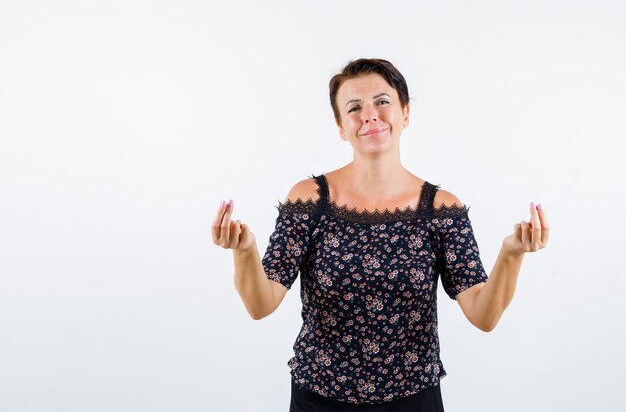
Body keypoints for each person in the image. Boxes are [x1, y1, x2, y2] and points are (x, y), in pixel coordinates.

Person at [212, 58, 550, 411]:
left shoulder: (440, 209)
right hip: (319, 399)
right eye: (354, 108)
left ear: (405, 114)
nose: (370, 115)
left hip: (413, 399)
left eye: (382, 102)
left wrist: (512, 255)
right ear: (341, 127)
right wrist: (245, 250)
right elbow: (260, 304)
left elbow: (484, 315)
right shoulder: (309, 199)